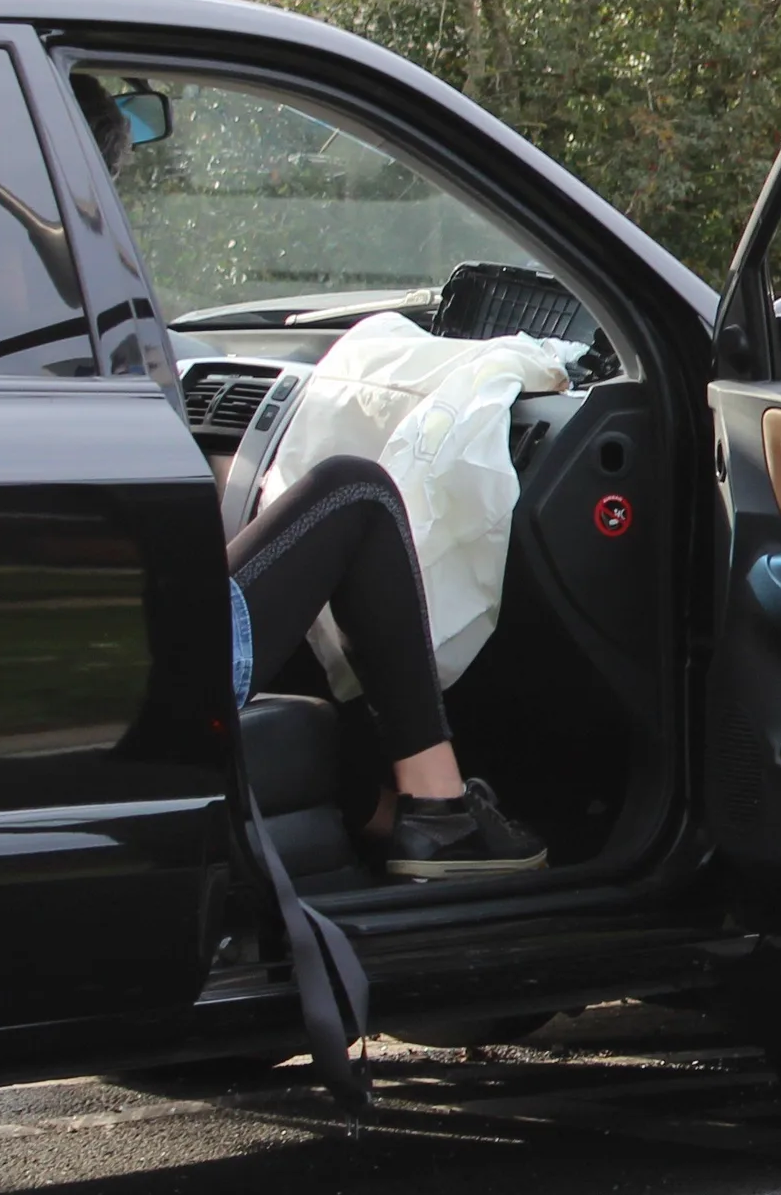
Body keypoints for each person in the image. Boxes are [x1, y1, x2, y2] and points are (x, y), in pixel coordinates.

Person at [76, 77, 546, 880]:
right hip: (125, 665)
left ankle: (378, 808)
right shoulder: (66, 297)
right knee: (355, 496)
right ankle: (440, 808)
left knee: (282, 593)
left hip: (86, 648)